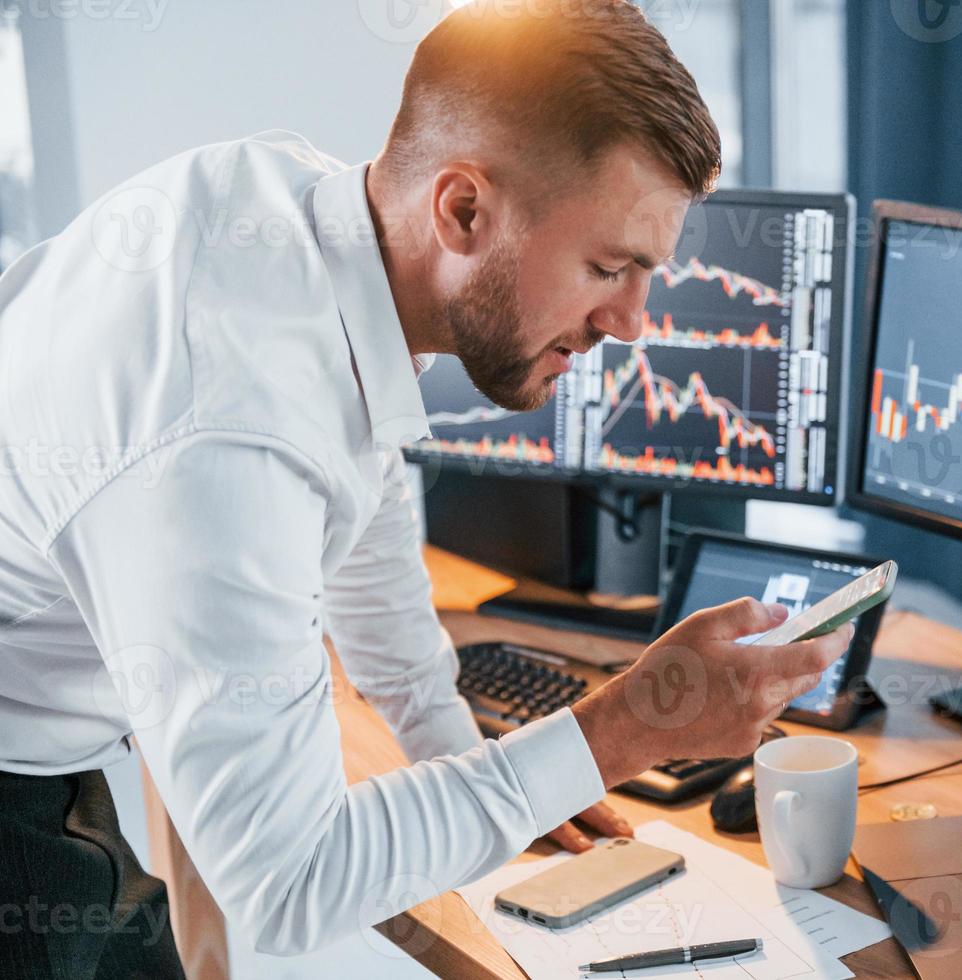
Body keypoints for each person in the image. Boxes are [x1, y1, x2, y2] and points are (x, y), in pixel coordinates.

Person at [0, 2, 851, 974]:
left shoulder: (303, 214)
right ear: (462, 210)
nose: (632, 322)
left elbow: (361, 498)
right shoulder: (222, 428)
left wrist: (474, 752)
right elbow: (288, 881)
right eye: (608, 266)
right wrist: (619, 729)